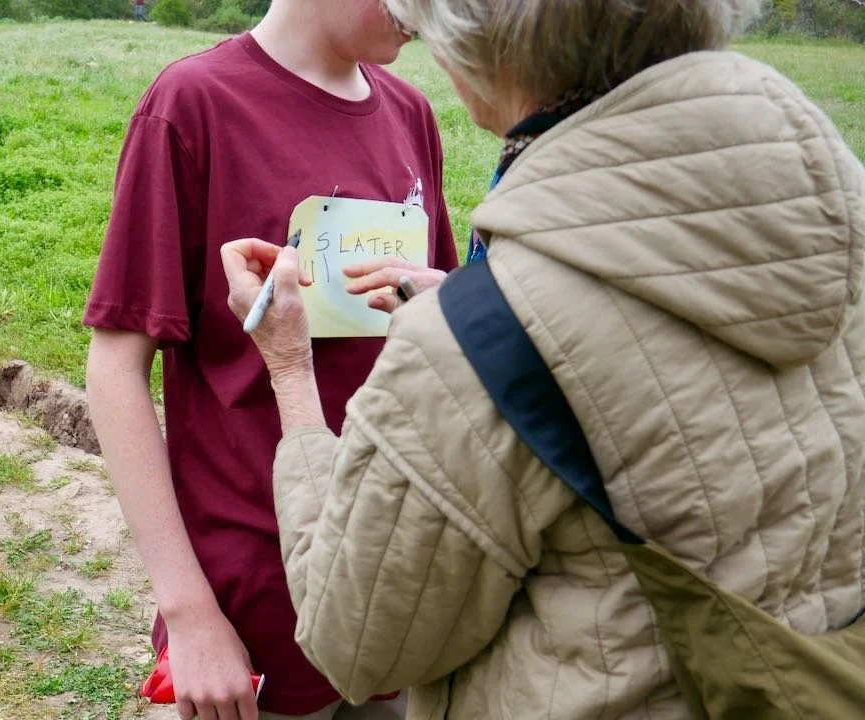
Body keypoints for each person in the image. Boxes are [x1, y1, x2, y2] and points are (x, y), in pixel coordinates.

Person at [219, 0, 865, 717]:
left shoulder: (480, 341)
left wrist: (290, 370)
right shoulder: (835, 218)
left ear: (489, 47)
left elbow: (354, 640)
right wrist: (490, 301)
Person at [83, 0, 459, 717]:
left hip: (395, 582)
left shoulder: (411, 113)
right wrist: (190, 614)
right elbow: (115, 368)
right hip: (256, 603)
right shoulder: (192, 105)